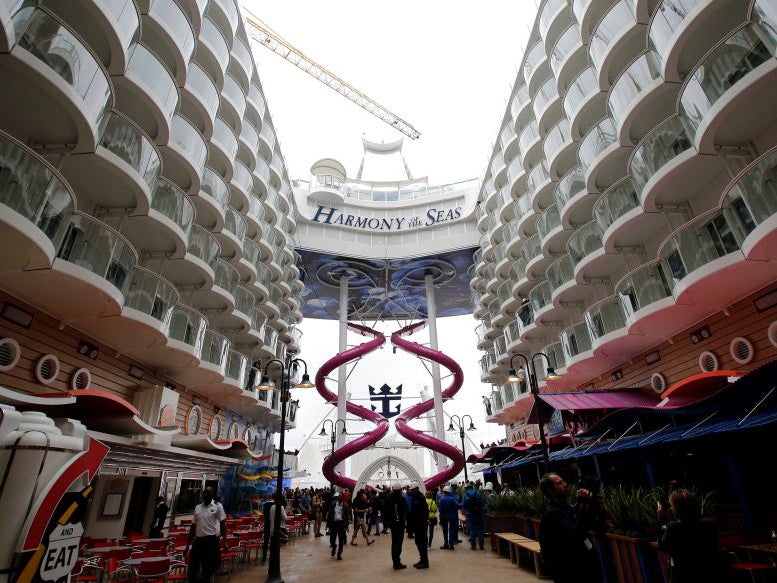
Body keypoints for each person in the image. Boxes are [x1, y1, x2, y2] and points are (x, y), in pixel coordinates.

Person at [538, 473, 601, 583]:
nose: (565, 484)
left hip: (584, 568)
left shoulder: (567, 508)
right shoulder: (552, 514)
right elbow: (575, 533)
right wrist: (583, 506)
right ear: (550, 490)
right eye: (560, 483)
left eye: (563, 481)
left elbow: (589, 523)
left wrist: (590, 501)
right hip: (570, 572)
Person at [658, 489, 723, 583]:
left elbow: (662, 545)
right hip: (712, 574)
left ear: (678, 509)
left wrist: (661, 520)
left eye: (672, 506)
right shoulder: (710, 524)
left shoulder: (673, 527)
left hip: (685, 575)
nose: (671, 509)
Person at [186, 488, 226, 583]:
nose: (205, 495)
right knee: (193, 566)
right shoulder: (198, 507)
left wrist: (225, 542)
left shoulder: (218, 506)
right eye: (204, 493)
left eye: (208, 493)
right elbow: (193, 526)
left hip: (211, 541)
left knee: (209, 567)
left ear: (212, 495)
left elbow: (223, 525)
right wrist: (187, 545)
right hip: (198, 540)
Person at [407, 482, 429, 569]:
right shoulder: (415, 497)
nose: (411, 491)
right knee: (418, 542)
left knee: (422, 543)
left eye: (412, 490)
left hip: (421, 525)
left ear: (416, 489)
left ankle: (425, 562)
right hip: (417, 524)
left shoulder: (420, 498)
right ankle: (422, 559)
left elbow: (423, 512)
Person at [386, 484, 407, 569]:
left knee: (394, 543)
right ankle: (397, 562)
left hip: (393, 524)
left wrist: (388, 523)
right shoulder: (401, 498)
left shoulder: (388, 498)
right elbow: (405, 509)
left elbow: (386, 511)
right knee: (398, 543)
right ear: (399, 490)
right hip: (400, 524)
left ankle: (395, 561)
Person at [326, 492, 351, 560]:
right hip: (334, 524)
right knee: (332, 539)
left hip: (341, 524)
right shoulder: (333, 504)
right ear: (337, 498)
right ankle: (334, 546)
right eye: (338, 497)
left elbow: (346, 516)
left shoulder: (345, 506)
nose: (339, 498)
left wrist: (347, 525)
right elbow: (330, 514)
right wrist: (327, 524)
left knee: (341, 540)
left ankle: (339, 554)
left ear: (343, 498)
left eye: (341, 497)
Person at [462, 482, 485, 550]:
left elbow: (463, 505)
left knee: (472, 529)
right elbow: (481, 503)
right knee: (480, 529)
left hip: (470, 514)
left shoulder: (465, 495)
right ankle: (481, 545)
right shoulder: (477, 493)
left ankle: (473, 546)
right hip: (478, 514)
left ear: (467, 488)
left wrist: (465, 512)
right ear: (472, 487)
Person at [438, 485, 459, 550]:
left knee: (445, 530)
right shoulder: (452, 499)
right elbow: (457, 506)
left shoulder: (441, 499)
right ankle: (451, 544)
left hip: (444, 516)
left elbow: (440, 509)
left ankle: (446, 544)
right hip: (452, 516)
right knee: (452, 530)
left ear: (444, 491)